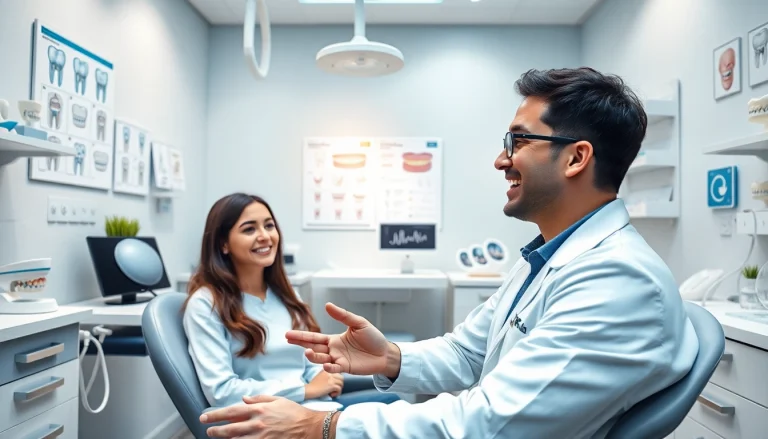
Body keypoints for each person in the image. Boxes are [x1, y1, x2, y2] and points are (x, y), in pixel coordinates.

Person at [198, 68, 700, 439]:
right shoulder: (549, 259)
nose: (501, 159)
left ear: (576, 157)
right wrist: (392, 357)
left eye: (518, 141)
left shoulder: (615, 280)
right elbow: (468, 352)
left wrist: (323, 426)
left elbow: (487, 424)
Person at [182, 193, 400, 411]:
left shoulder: (287, 295)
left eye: (269, 226)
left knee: (395, 406)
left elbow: (306, 364)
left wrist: (325, 376)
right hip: (271, 417)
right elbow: (222, 392)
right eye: (249, 229)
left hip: (316, 406)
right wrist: (305, 390)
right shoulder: (205, 304)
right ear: (223, 244)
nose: (265, 236)